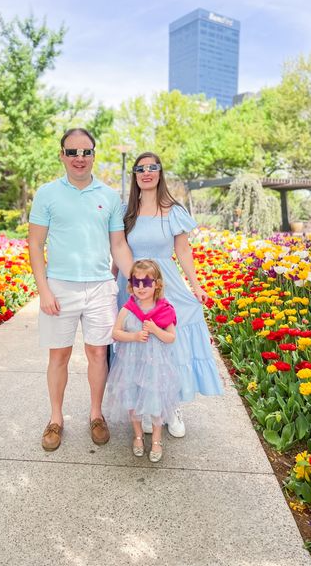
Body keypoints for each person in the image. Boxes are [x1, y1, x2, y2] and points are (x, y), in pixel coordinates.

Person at [28, 128, 133, 452]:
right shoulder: (47, 194)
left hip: (101, 288)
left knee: (98, 353)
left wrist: (140, 281)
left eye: (85, 152)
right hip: (59, 287)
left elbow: (118, 245)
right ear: (62, 155)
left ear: (94, 155)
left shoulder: (109, 196)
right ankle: (56, 419)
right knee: (58, 355)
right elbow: (35, 243)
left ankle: (96, 415)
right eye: (72, 152)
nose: (79, 158)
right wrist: (44, 290)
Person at [115, 152, 223, 438]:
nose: (147, 172)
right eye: (141, 168)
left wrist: (196, 286)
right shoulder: (127, 212)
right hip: (134, 282)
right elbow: (118, 248)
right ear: (135, 175)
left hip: (165, 282)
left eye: (153, 168)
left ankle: (171, 405)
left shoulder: (173, 210)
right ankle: (148, 407)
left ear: (161, 173)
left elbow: (183, 251)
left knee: (169, 343)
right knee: (140, 345)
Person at [106, 260, 179, 462]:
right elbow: (116, 333)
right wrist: (134, 336)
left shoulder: (164, 309)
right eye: (136, 282)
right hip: (130, 365)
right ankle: (138, 435)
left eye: (146, 282)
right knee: (132, 399)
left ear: (156, 284)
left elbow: (171, 338)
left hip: (154, 367)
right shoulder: (128, 309)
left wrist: (156, 329)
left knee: (155, 401)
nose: (141, 287)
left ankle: (156, 439)